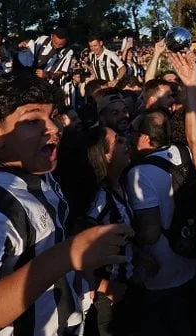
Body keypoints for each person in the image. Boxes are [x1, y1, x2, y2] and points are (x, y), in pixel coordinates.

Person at [0, 72, 133, 334]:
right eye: (33, 120)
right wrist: (65, 256)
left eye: (53, 116)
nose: (54, 128)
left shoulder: (40, 178)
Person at [125, 108, 196, 335]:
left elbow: (150, 232)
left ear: (145, 138)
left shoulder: (139, 173)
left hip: (159, 273)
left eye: (132, 132)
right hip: (190, 256)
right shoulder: (184, 151)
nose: (128, 137)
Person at [55, 126, 134, 336]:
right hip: (103, 298)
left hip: (121, 290)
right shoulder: (97, 200)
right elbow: (75, 252)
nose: (126, 142)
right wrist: (104, 286)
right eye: (118, 141)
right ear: (104, 155)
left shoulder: (118, 186)